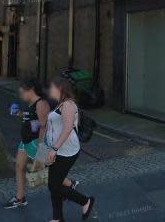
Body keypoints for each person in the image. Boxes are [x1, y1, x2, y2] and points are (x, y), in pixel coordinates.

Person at [4, 79, 79, 209]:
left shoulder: (41, 104)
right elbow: (31, 120)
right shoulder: (31, 104)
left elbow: (43, 127)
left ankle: (70, 184)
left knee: (47, 170)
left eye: (22, 91)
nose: (21, 95)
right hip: (25, 140)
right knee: (19, 166)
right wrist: (19, 114)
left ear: (31, 90)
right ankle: (20, 197)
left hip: (35, 142)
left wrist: (41, 149)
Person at [46, 76, 95, 222]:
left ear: (60, 88)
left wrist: (54, 148)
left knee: (54, 186)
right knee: (55, 183)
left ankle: (85, 201)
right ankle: (57, 218)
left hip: (67, 151)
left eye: (52, 87)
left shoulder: (68, 104)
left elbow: (67, 128)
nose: (50, 90)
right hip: (58, 150)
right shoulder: (60, 104)